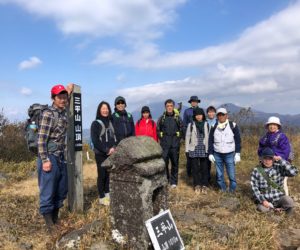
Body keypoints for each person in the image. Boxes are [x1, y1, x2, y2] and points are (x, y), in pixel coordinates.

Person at [37, 83, 73, 232]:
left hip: (60, 157)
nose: (63, 99)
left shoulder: (63, 111)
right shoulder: (48, 114)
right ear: (53, 98)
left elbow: (67, 100)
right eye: (60, 96)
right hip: (49, 157)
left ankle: (56, 219)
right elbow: (41, 140)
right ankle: (50, 225)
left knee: (61, 189)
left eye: (64, 96)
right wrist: (45, 160)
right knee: (48, 191)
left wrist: (69, 92)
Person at [251, 147, 298, 214]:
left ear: (273, 159)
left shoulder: (279, 167)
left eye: (270, 158)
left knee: (289, 200)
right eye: (265, 158)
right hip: (266, 201)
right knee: (261, 208)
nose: (267, 161)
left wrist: (281, 160)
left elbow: (294, 172)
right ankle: (276, 211)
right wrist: (263, 201)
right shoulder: (256, 170)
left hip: (279, 198)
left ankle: (284, 213)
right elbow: (254, 188)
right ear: (261, 159)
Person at [208, 107, 241, 192]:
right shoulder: (213, 126)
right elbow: (210, 141)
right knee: (219, 175)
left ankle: (232, 190)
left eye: (223, 114)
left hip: (229, 154)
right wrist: (210, 153)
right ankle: (223, 189)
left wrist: (237, 153)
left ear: (226, 115)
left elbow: (238, 140)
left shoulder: (233, 125)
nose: (221, 116)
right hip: (217, 154)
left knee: (231, 175)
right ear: (217, 116)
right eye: (219, 115)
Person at [91, 101, 117, 206]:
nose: (105, 110)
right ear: (99, 110)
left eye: (107, 108)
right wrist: (106, 150)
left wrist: (113, 148)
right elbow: (95, 140)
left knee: (108, 174)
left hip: (111, 152)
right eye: (103, 108)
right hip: (101, 154)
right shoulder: (96, 123)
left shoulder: (111, 122)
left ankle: (107, 193)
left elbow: (114, 137)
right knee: (102, 175)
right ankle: (101, 197)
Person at [257, 116, 291, 195]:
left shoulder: (282, 137)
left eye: (274, 125)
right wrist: (263, 156)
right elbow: (260, 149)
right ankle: (271, 198)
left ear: (278, 126)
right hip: (267, 162)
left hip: (279, 163)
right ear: (267, 126)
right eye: (270, 125)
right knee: (268, 181)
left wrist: (278, 157)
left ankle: (285, 199)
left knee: (282, 182)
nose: (272, 126)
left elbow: (286, 150)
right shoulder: (265, 138)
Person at [157, 99, 184, 188]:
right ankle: (166, 180)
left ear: (173, 107)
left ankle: (173, 182)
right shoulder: (161, 118)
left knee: (175, 163)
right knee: (164, 163)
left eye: (171, 106)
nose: (169, 107)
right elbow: (158, 130)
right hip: (164, 145)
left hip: (174, 145)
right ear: (165, 107)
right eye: (168, 106)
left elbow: (182, 129)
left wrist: (177, 139)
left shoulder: (177, 118)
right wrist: (162, 138)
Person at [185, 107, 209, 194]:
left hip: (204, 148)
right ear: (194, 116)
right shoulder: (191, 125)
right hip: (193, 148)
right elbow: (187, 138)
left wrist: (209, 149)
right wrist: (187, 150)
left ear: (203, 115)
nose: (199, 117)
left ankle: (205, 185)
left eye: (200, 115)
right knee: (195, 168)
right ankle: (197, 185)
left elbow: (209, 137)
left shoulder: (206, 124)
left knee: (204, 168)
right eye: (197, 115)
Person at [183, 96, 201, 177]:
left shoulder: (200, 111)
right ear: (190, 102)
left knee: (199, 155)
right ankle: (189, 173)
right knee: (189, 155)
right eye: (192, 101)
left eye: (195, 101)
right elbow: (184, 124)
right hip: (190, 136)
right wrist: (185, 137)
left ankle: (198, 173)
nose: (194, 102)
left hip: (199, 137)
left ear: (197, 102)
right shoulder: (187, 111)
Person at [206, 106, 217, 183]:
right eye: (209, 112)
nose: (211, 113)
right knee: (207, 163)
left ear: (215, 113)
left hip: (217, 145)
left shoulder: (218, 121)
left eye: (212, 112)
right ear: (207, 113)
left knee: (218, 163)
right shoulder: (205, 121)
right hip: (207, 145)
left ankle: (218, 179)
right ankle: (207, 178)